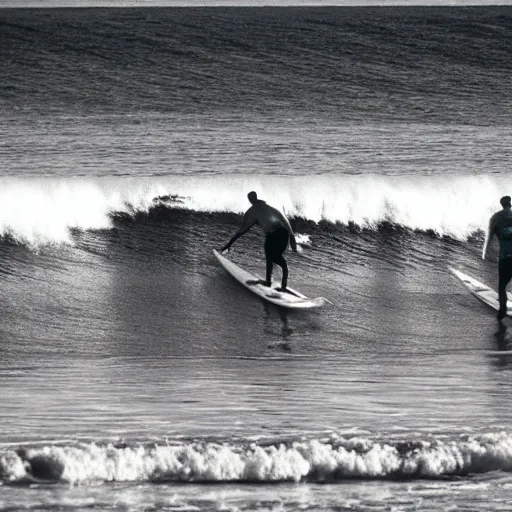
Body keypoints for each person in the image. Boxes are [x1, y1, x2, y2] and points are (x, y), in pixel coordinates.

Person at [220, 191, 297, 291]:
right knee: (270, 255)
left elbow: (242, 231)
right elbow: (284, 220)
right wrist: (292, 238)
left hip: (276, 234)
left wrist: (229, 244)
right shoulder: (269, 206)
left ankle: (281, 285)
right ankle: (270, 282)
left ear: (250, 200)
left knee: (275, 258)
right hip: (282, 233)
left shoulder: (252, 212)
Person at [482, 195, 512, 320]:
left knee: (502, 286)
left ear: (501, 205)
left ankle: (502, 310)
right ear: (510, 204)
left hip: (505, 256)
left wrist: (484, 254)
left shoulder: (494, 218)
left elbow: (488, 239)